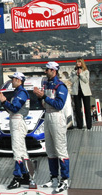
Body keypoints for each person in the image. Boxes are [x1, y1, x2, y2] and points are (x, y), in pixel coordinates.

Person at [33, 61, 70, 191]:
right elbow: (43, 102)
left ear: (54, 71)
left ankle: (65, 180)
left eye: (47, 70)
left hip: (57, 116)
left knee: (60, 149)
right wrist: (39, 97)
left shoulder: (60, 86)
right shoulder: (46, 84)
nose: (45, 71)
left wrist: (44, 96)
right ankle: (53, 178)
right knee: (50, 150)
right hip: (47, 115)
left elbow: (59, 105)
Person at [0, 72, 31, 189]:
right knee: (21, 151)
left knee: (17, 150)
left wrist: (3, 101)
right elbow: (11, 109)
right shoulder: (18, 92)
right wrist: (5, 102)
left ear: (19, 80)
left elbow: (15, 108)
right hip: (15, 120)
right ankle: (26, 175)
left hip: (18, 121)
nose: (12, 81)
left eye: (13, 79)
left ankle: (17, 177)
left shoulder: (21, 93)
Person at [70, 58, 92, 130]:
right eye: (77, 62)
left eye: (79, 62)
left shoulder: (86, 71)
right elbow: (72, 81)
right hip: (76, 92)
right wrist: (76, 74)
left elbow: (86, 80)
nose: (77, 64)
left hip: (85, 92)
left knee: (87, 108)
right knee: (77, 109)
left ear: (82, 63)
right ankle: (80, 125)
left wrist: (81, 74)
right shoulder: (73, 72)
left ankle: (89, 125)